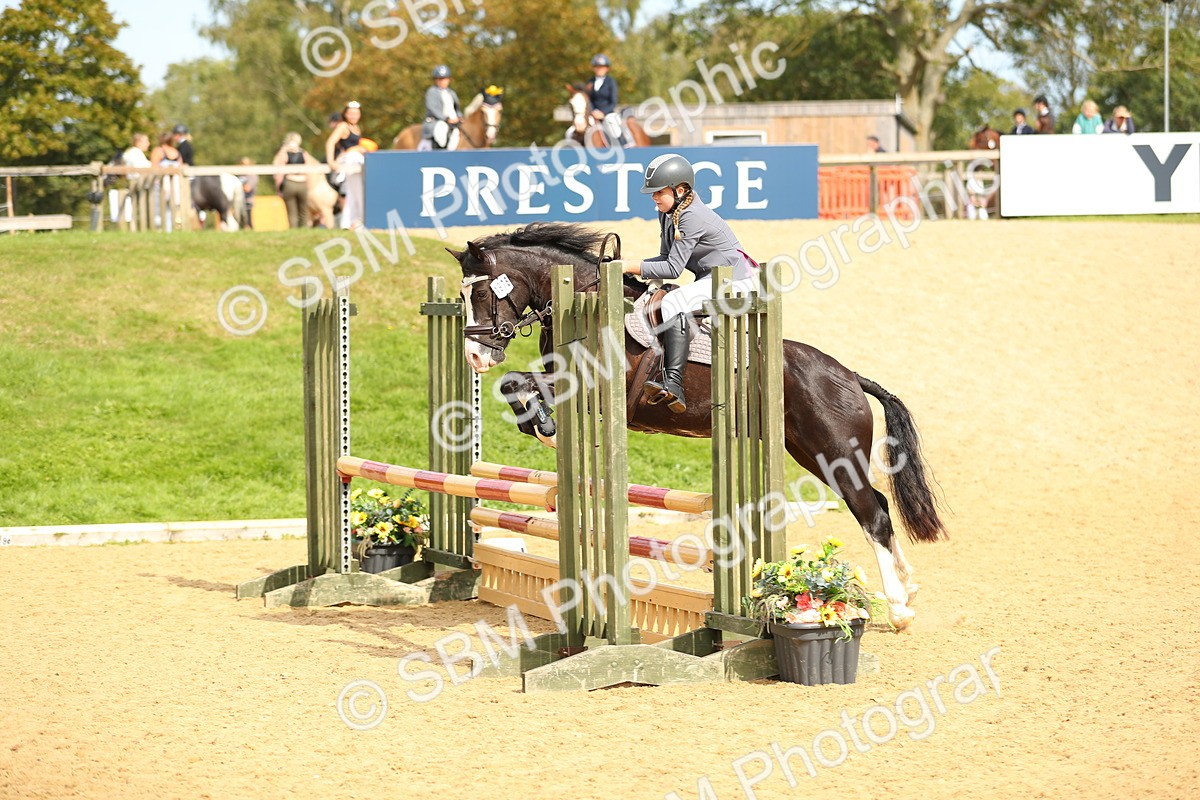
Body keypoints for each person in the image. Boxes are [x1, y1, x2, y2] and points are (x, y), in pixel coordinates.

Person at [620, 154, 759, 414]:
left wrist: (628, 265)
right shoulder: (669, 212)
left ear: (680, 189)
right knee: (664, 298)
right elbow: (665, 258)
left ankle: (673, 383)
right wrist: (645, 278)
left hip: (736, 279)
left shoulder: (692, 216)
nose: (654, 198)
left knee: (673, 302)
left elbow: (673, 269)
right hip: (712, 276)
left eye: (658, 192)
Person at [274, 133, 318, 228]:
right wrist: (309, 186)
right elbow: (309, 171)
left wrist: (278, 188)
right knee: (303, 211)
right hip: (303, 183)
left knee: (291, 212)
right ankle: (304, 229)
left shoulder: (284, 154)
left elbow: (279, 172)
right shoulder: (304, 154)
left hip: (290, 183)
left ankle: (293, 230)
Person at [421, 66, 463, 151]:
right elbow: (433, 108)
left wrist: (459, 116)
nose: (442, 81)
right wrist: (446, 119)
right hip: (437, 120)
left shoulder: (451, 93)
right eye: (439, 79)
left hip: (453, 121)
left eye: (444, 79)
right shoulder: (432, 92)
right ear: (436, 80)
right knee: (441, 131)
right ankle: (439, 150)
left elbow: (456, 107)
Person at [587, 54, 625, 147]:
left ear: (606, 69)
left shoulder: (611, 82)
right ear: (594, 68)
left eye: (602, 67)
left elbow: (613, 102)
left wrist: (603, 113)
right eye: (597, 67)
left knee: (615, 130)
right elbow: (588, 99)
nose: (599, 69)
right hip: (593, 113)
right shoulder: (590, 82)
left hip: (607, 113)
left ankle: (623, 147)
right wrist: (593, 111)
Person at [149, 131, 182, 231]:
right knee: (173, 208)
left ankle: (161, 229)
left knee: (159, 209)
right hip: (176, 185)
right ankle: (171, 228)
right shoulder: (176, 152)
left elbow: (153, 168)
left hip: (161, 185)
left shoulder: (158, 151)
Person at [238, 157, 258, 230]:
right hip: (239, 200)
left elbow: (247, 188)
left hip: (248, 200)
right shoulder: (240, 175)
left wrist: (238, 187)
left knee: (248, 219)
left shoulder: (252, 175)